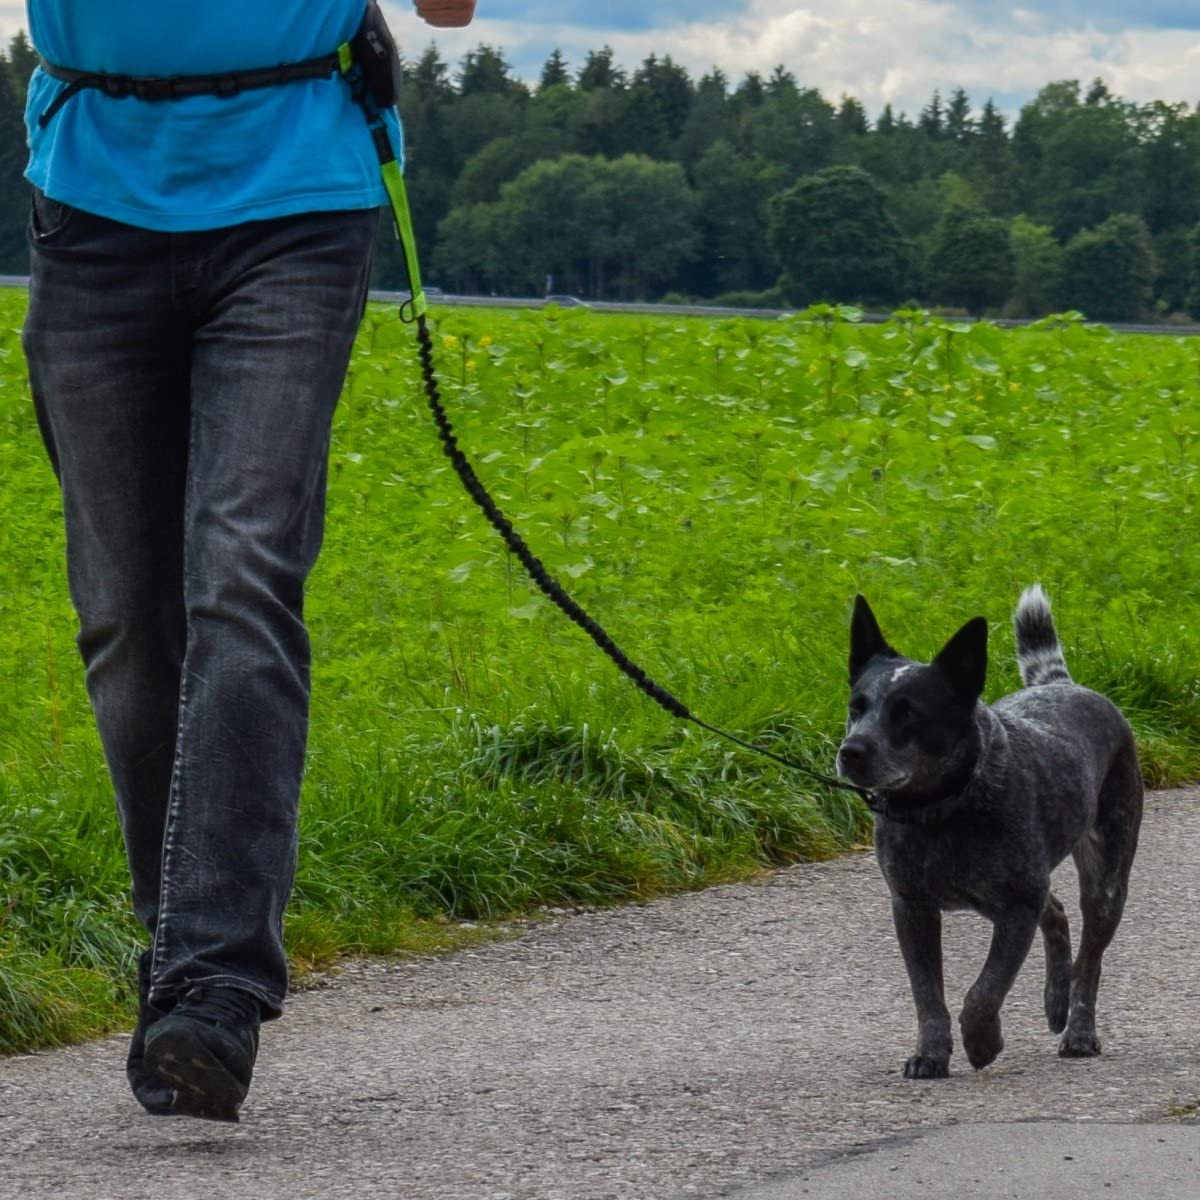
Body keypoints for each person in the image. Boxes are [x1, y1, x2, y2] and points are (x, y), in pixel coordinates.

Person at [22, 0, 476, 1122]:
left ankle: (215, 987)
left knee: (240, 577)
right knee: (125, 617)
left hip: (297, 197)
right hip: (93, 201)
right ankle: (175, 954)